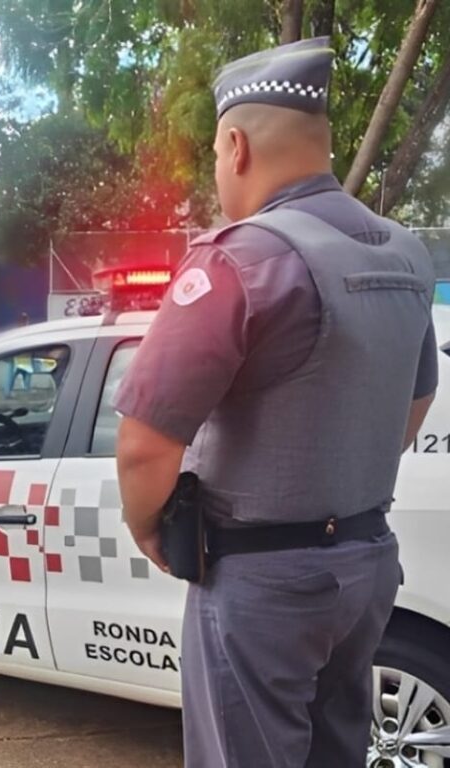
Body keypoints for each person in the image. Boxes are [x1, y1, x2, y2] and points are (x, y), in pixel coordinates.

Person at [114, 37, 438, 768]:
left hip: (262, 582)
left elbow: (144, 443)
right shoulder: (405, 254)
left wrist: (149, 529)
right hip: (366, 565)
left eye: (216, 155)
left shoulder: (242, 257)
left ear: (236, 147)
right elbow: (417, 398)